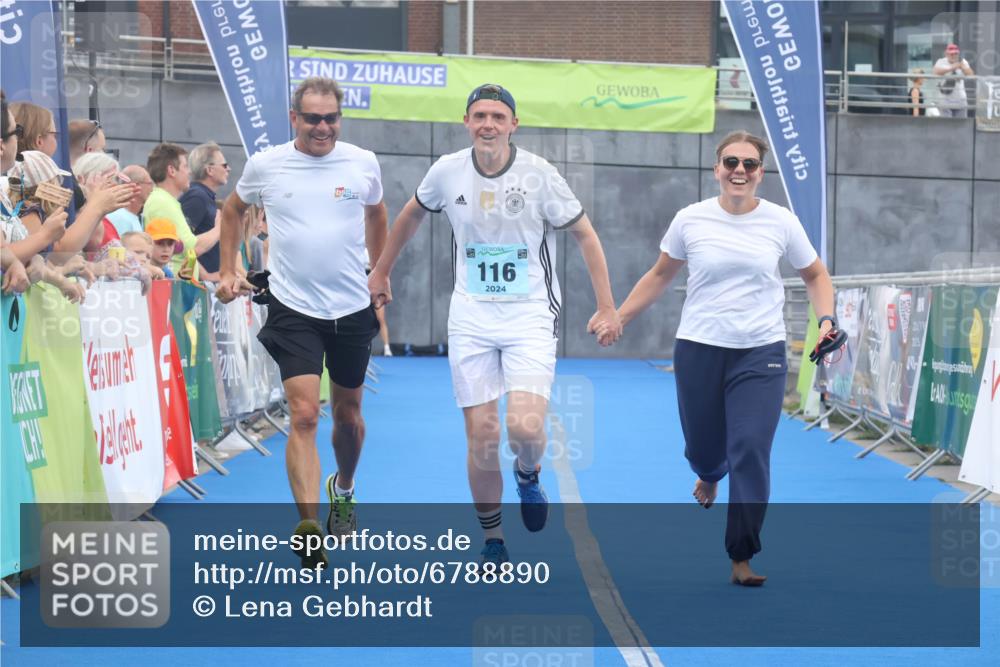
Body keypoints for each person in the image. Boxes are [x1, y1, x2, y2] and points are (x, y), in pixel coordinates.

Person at [368, 83, 620, 566]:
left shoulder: (539, 175)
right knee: (482, 437)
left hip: (529, 314)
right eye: (480, 115)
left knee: (523, 426)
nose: (488, 124)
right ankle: (493, 538)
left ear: (513, 124)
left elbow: (586, 235)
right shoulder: (446, 171)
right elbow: (409, 215)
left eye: (498, 117)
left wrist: (606, 306)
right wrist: (381, 269)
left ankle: (528, 474)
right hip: (471, 317)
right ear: (466, 122)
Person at [614, 130, 838, 587]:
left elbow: (815, 274)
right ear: (717, 169)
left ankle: (742, 555)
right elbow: (659, 275)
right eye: (731, 163)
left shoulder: (781, 222)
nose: (740, 171)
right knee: (705, 447)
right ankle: (709, 472)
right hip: (699, 347)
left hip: (761, 351)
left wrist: (828, 320)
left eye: (749, 164)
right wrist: (619, 317)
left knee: (751, 449)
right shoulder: (690, 219)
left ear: (761, 173)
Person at [216, 77, 387, 569]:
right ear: (294, 118)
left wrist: (379, 270)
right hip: (292, 308)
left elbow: (377, 214)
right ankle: (309, 526)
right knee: (306, 414)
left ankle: (345, 486)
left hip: (352, 306)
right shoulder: (267, 164)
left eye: (331, 118)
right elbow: (232, 210)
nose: (322, 127)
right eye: (312, 118)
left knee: (349, 417)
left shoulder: (362, 162)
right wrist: (228, 269)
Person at [144, 143, 202, 280]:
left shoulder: (166, 200)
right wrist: (222, 228)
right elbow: (191, 247)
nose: (190, 172)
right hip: (171, 290)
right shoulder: (161, 201)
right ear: (171, 170)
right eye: (185, 166)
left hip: (176, 286)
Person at [179, 142, 228, 281]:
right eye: (224, 165)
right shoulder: (197, 196)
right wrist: (204, 275)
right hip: (198, 285)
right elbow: (181, 244)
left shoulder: (204, 196)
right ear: (210, 170)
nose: (228, 169)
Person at [106, 165, 154, 236]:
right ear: (137, 186)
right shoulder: (120, 218)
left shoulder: (131, 216)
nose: (152, 189)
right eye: (150, 184)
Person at [933, 43, 974, 118]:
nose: (953, 56)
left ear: (958, 54)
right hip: (944, 100)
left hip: (960, 100)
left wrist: (963, 68)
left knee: (961, 125)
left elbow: (971, 74)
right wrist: (953, 67)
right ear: (946, 54)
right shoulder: (941, 61)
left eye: (955, 54)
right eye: (951, 54)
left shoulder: (963, 62)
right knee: (946, 126)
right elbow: (936, 72)